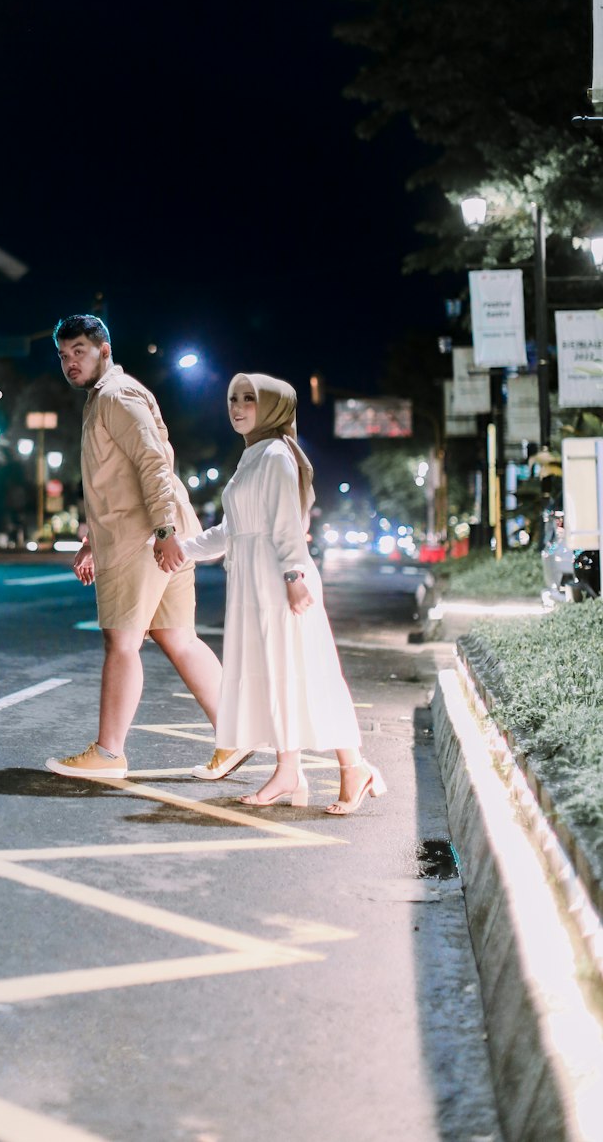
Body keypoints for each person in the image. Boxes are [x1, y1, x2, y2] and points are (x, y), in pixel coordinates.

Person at [160, 373, 386, 815]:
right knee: (278, 675)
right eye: (233, 399)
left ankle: (350, 767)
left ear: (274, 407)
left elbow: (286, 526)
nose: (238, 407)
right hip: (254, 583)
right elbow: (233, 531)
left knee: (308, 672)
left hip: (280, 582)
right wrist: (182, 550)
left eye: (250, 399)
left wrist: (293, 576)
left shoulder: (279, 456)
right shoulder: (253, 457)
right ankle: (291, 771)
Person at [45, 314, 239, 781]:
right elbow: (110, 479)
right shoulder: (102, 399)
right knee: (178, 637)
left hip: (144, 539)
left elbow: (153, 462)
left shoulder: (116, 395)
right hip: (151, 533)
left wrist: (165, 531)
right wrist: (91, 539)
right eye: (64, 355)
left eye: (79, 352)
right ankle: (236, 736)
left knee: (122, 640)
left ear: (104, 351)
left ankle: (109, 754)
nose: (71, 363)